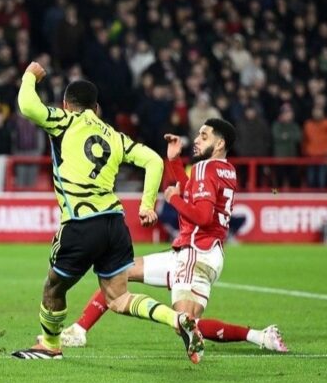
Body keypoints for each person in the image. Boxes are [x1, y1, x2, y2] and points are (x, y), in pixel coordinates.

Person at [10, 62, 204, 363]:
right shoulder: (114, 136)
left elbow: (27, 105)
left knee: (53, 287)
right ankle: (175, 319)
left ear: (66, 104)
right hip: (115, 224)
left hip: (80, 223)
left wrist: (29, 75)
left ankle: (50, 344)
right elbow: (154, 160)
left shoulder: (64, 121)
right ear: (96, 108)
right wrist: (146, 205)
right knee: (118, 297)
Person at [60, 124, 288, 354]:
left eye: (204, 136)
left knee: (184, 323)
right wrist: (175, 160)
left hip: (194, 253)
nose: (197, 140)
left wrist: (173, 199)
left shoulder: (203, 168)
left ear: (219, 144)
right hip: (204, 252)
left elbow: (202, 215)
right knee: (120, 272)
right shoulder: (226, 170)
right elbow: (194, 191)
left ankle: (260, 336)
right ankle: (79, 330)